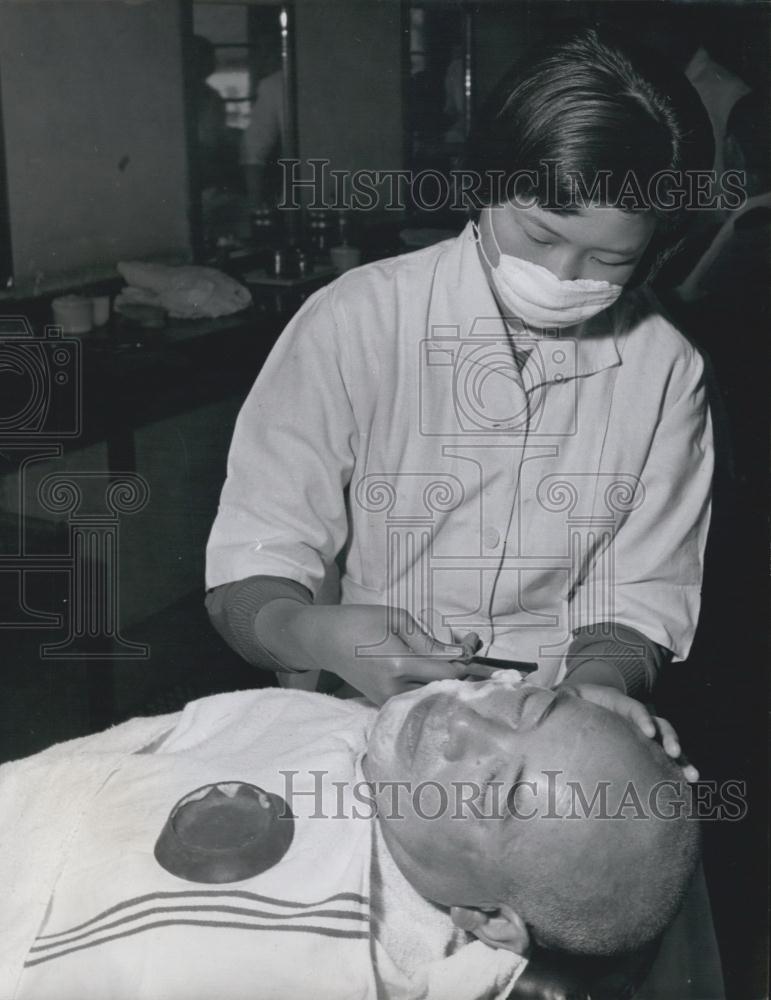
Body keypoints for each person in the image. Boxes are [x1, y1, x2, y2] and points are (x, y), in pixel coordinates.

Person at [205, 28, 715, 706]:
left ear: (654, 251)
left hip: (550, 699)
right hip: (364, 692)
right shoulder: (360, 318)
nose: (559, 277)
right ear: (487, 183)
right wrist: (309, 631)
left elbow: (644, 589)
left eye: (608, 260)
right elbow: (257, 551)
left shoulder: (662, 368)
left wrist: (591, 695)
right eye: (539, 234)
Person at [0, 675, 702, 999]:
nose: (459, 726)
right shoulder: (352, 735)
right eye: (525, 703)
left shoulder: (314, 970)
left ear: (486, 920)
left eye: (491, 790)